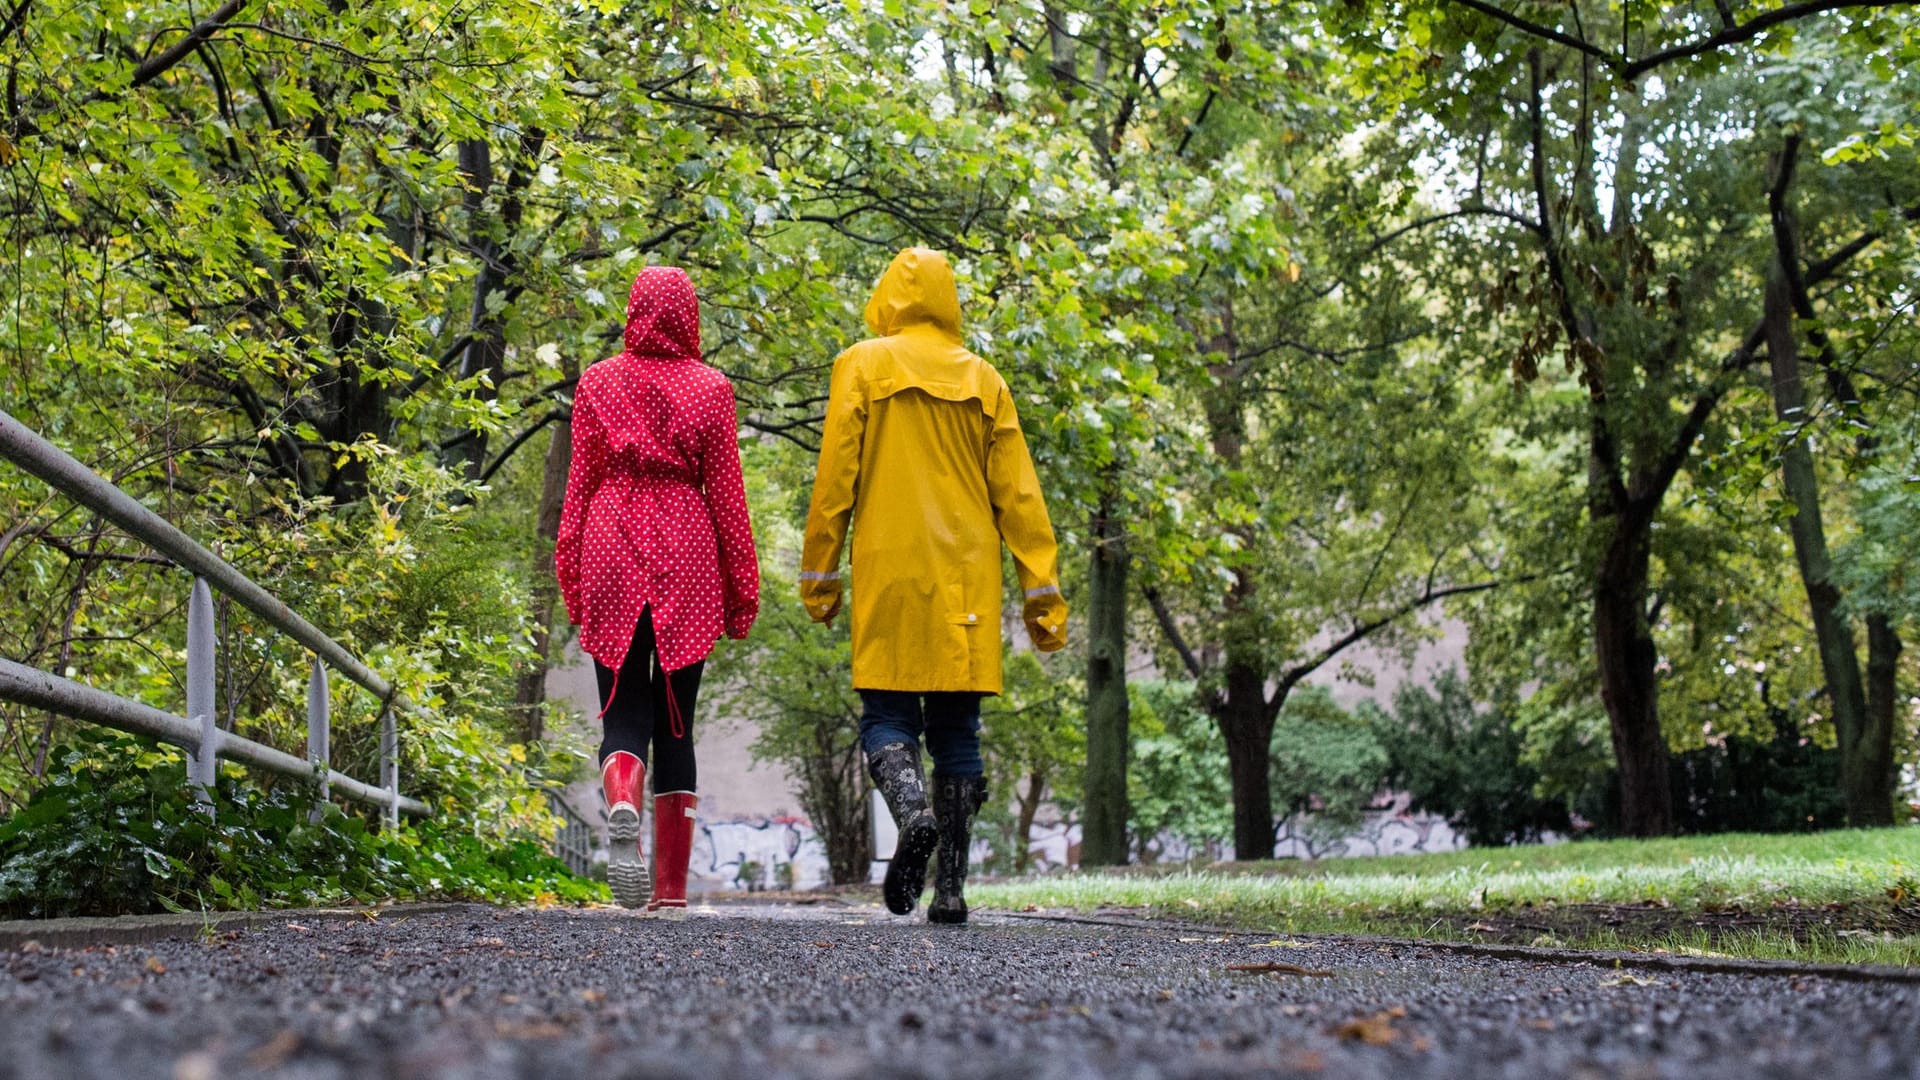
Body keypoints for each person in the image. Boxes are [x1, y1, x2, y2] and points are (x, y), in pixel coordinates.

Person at [800, 247, 1068, 924]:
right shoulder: (985, 380)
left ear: (889, 294)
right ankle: (949, 889)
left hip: (891, 566)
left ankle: (912, 811)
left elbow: (835, 479)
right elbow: (1021, 499)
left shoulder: (862, 364)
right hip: (965, 578)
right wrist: (1042, 597)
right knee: (958, 728)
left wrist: (821, 579)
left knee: (888, 717)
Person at [556, 266, 759, 917]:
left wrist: (573, 574)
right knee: (678, 724)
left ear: (632, 312)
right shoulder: (711, 388)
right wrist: (741, 590)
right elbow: (727, 497)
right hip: (689, 550)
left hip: (609, 540)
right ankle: (670, 891)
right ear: (688, 316)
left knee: (623, 710)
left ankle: (621, 800)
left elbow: (578, 489)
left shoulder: (596, 382)